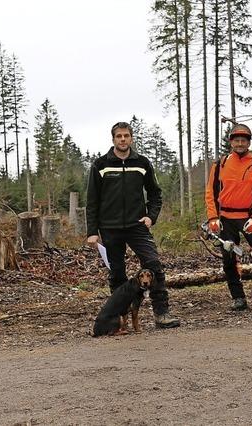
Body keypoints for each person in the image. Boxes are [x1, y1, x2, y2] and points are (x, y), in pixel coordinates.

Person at [86, 122, 180, 329]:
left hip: (137, 225)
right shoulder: (101, 165)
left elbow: (155, 193)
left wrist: (151, 217)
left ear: (131, 138)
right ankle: (120, 319)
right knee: (117, 273)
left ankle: (162, 314)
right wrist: (92, 231)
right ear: (113, 139)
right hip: (109, 227)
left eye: (126, 136)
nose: (122, 139)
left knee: (153, 263)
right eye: (118, 136)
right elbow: (92, 200)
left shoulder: (142, 163)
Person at [205, 123, 252, 314]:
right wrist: (213, 217)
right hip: (225, 219)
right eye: (236, 140)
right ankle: (238, 298)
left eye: (243, 140)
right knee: (229, 258)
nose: (240, 143)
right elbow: (210, 193)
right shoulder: (220, 164)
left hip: (250, 217)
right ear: (231, 142)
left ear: (248, 142)